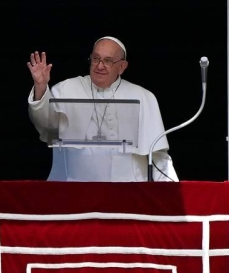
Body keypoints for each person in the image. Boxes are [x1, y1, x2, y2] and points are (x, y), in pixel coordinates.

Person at [26, 36, 178, 182]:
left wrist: (169, 192)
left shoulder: (143, 96)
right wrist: (40, 86)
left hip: (129, 191)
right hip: (76, 188)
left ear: (122, 67)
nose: (99, 66)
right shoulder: (67, 89)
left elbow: (158, 155)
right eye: (96, 59)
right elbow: (45, 124)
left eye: (108, 61)